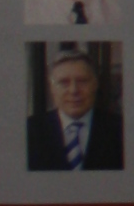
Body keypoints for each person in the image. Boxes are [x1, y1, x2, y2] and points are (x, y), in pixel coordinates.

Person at [27, 44, 123, 173]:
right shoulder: (29, 131)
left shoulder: (121, 129)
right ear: (52, 88)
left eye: (82, 81)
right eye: (64, 82)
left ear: (95, 84)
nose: (73, 90)